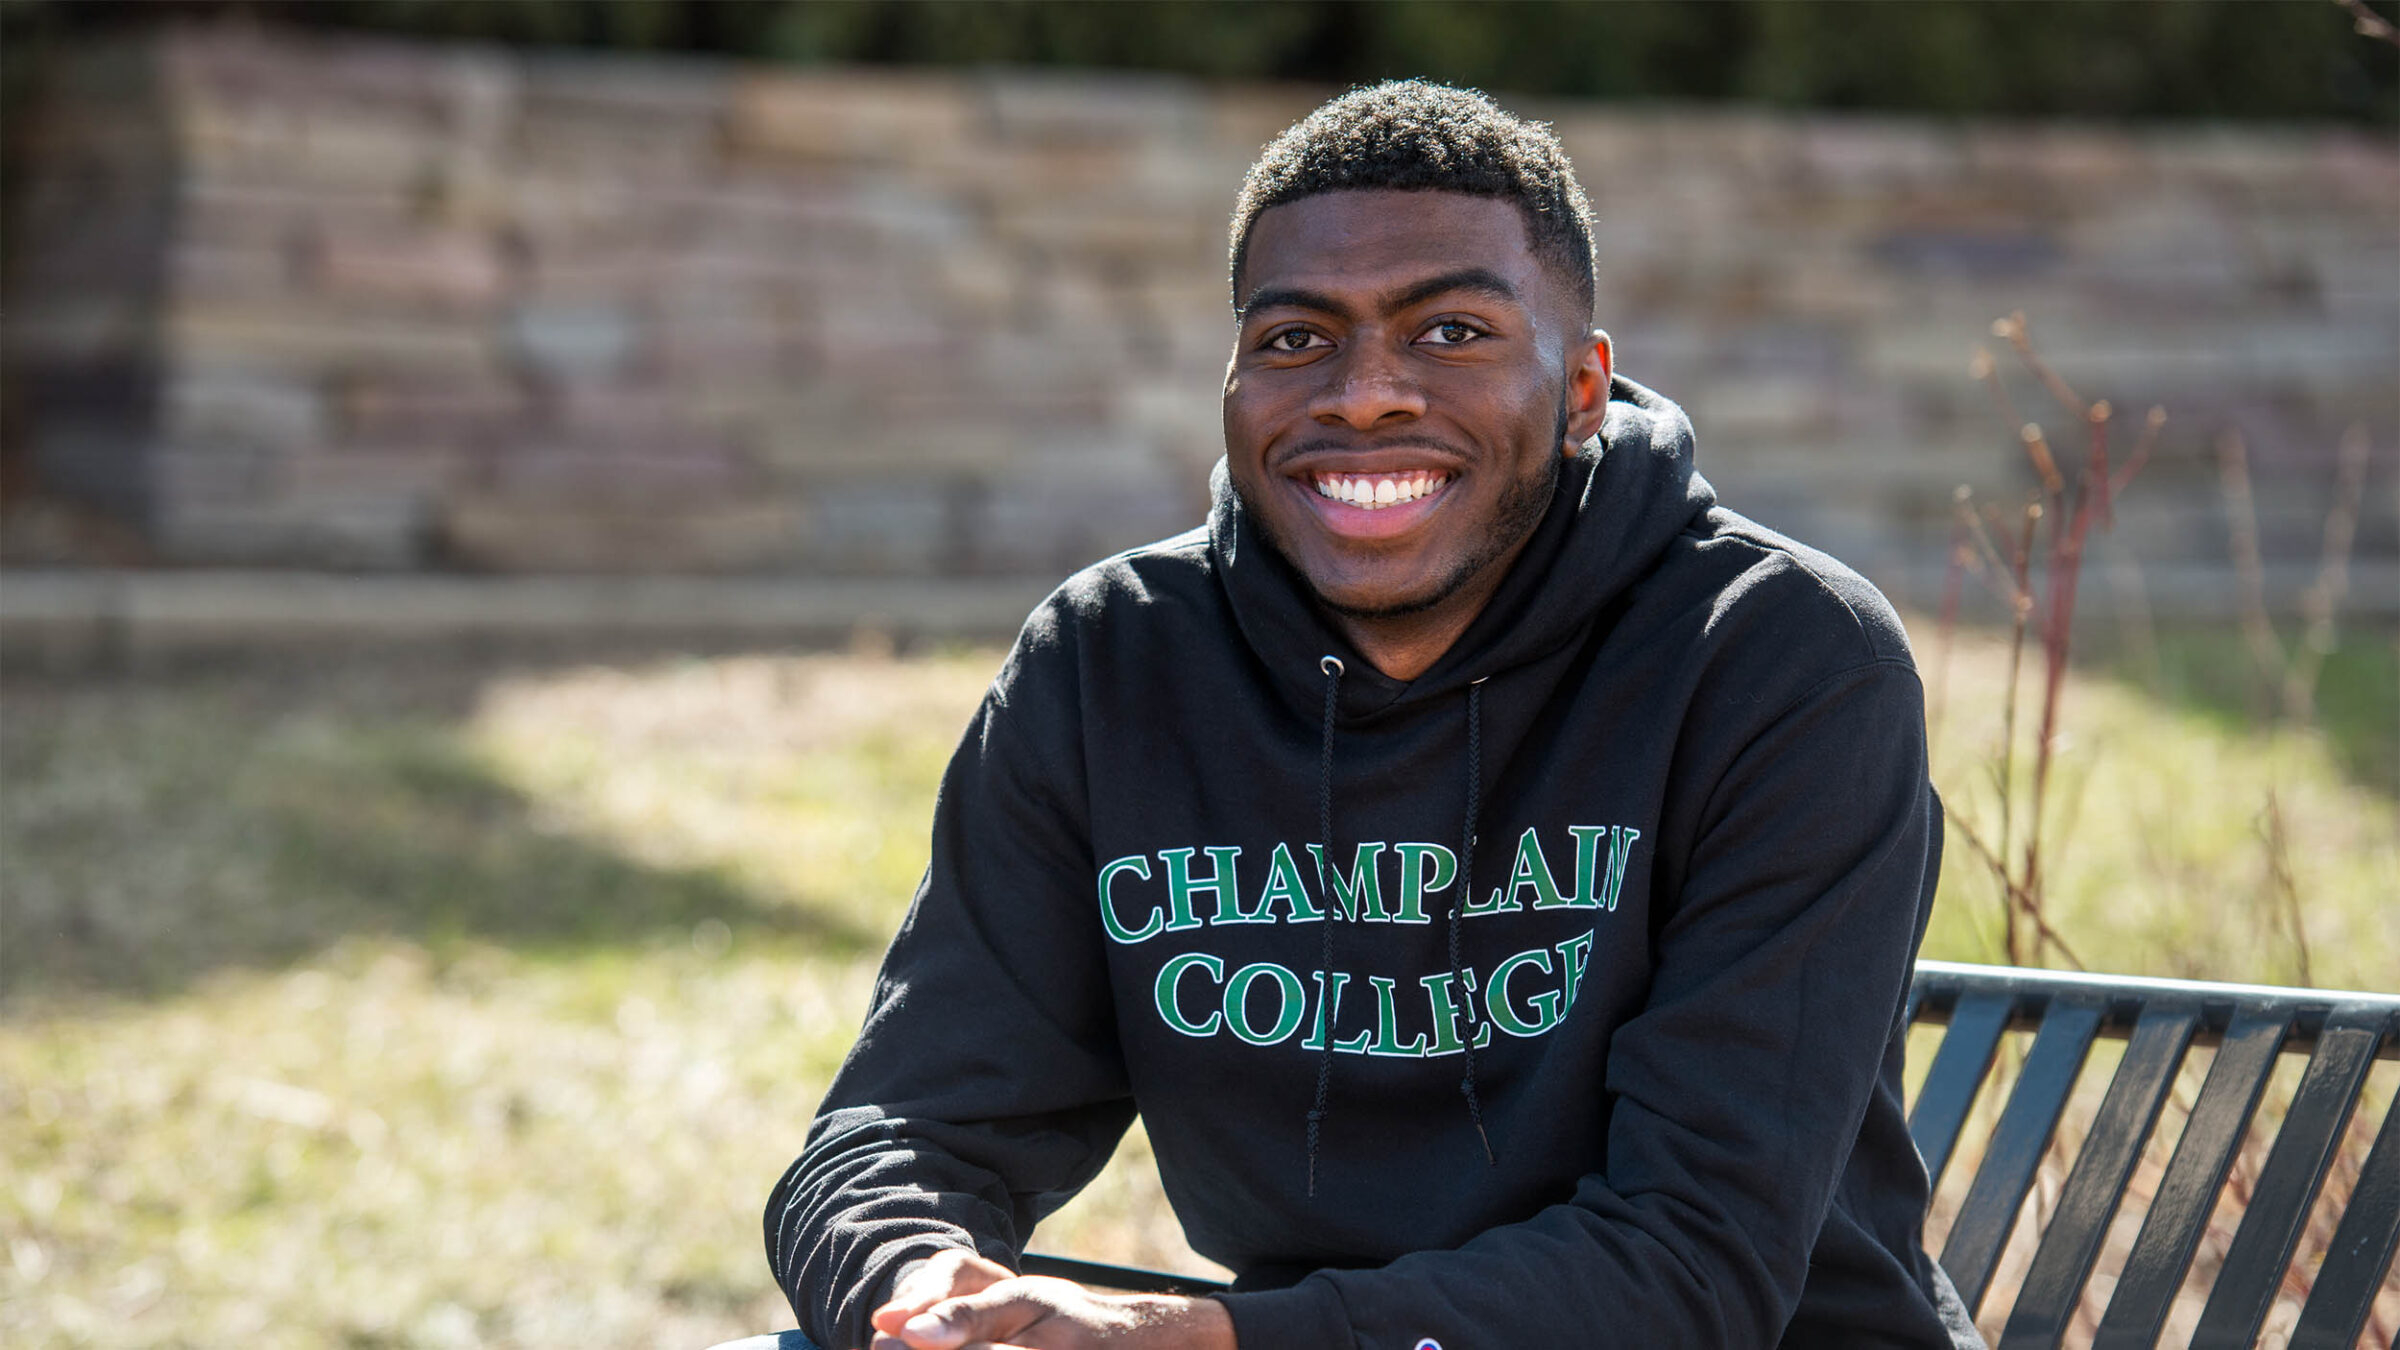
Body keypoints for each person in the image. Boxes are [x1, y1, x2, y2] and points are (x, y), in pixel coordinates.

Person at [759, 80, 1985, 1350]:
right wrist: (922, 1300)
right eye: (1296, 338)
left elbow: (1692, 1264)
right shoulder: (1115, 661)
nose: (1362, 396)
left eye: (1450, 331)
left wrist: (1210, 1342)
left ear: (1579, 392)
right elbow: (897, 1130)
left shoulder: (1777, 659)